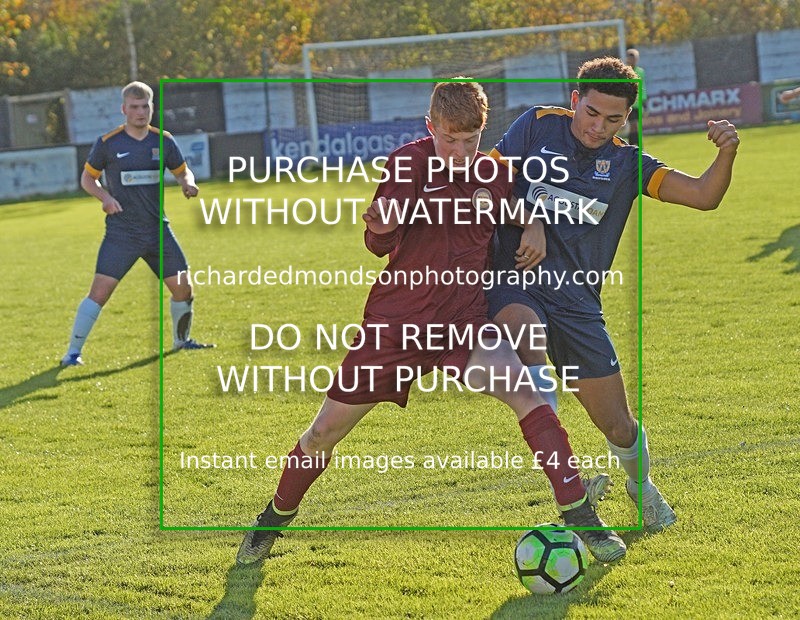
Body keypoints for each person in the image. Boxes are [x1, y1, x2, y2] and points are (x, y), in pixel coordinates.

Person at [236, 80, 626, 566]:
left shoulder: (493, 171)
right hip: (397, 326)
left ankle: (578, 513)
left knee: (525, 393)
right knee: (321, 435)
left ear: (484, 132)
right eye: (449, 140)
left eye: (471, 140)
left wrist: (533, 224)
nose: (460, 152)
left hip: (462, 321)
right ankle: (273, 518)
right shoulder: (409, 163)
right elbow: (379, 239)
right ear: (430, 128)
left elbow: (508, 206)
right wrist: (379, 226)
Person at [487, 57, 739, 533]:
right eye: (591, 113)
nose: (598, 127)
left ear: (627, 119)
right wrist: (531, 219)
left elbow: (705, 195)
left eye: (613, 119)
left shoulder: (628, 164)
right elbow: (482, 188)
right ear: (575, 100)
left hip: (578, 305)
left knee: (619, 425)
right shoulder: (536, 125)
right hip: (515, 282)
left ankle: (641, 489)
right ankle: (571, 486)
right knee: (527, 335)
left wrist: (725, 153)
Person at [61, 81, 214, 366]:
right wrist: (104, 197)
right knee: (100, 293)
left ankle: (182, 341)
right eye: (134, 107)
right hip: (122, 233)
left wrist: (188, 183)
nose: (141, 112)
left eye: (145, 106)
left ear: (152, 107)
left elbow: (182, 171)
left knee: (184, 288)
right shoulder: (108, 143)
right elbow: (87, 179)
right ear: (124, 109)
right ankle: (71, 354)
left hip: (158, 231)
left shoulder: (164, 140)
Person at [625, 48, 646, 146]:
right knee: (633, 125)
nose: (632, 60)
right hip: (629, 103)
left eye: (634, 58)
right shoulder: (624, 71)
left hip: (638, 104)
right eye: (630, 58)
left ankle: (636, 147)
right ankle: (633, 146)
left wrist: (644, 100)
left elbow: (643, 86)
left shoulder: (640, 71)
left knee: (636, 126)